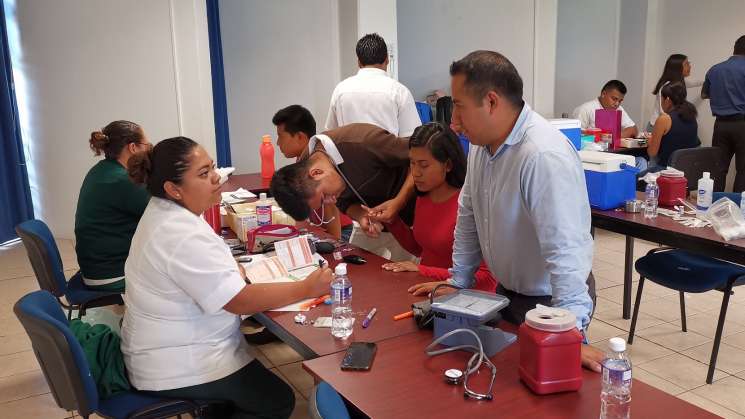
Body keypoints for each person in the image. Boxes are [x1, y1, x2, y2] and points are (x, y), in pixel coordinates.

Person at [408, 50, 602, 372]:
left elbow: (565, 249)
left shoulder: (541, 155)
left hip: (552, 305)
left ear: (491, 102)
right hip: (507, 294)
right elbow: (468, 215)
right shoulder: (483, 148)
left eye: (458, 107)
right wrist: (459, 282)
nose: (453, 123)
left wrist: (571, 331)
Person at [121, 137, 332, 418]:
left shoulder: (165, 213)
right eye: (204, 173)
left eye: (213, 167)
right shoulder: (179, 233)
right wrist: (306, 287)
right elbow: (239, 301)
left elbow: (201, 268)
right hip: (178, 365)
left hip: (162, 351)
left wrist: (231, 269)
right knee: (276, 400)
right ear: (173, 189)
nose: (217, 177)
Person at [380, 122, 496, 293]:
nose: (416, 172)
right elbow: (421, 248)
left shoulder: (469, 204)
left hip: (464, 299)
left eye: (424, 165)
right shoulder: (423, 197)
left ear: (448, 165)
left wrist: (422, 270)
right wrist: (392, 220)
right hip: (427, 291)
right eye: (412, 163)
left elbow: (486, 277)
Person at [270, 123, 415, 252]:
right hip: (381, 225)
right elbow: (343, 202)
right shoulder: (306, 165)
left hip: (415, 217)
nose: (329, 202)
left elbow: (423, 156)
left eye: (323, 197)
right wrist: (360, 214)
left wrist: (400, 200)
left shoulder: (364, 143)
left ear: (317, 173)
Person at [74, 120, 151, 291]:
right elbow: (163, 214)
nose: (148, 150)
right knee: (177, 275)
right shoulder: (121, 180)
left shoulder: (102, 170)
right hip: (111, 273)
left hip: (96, 268)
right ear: (133, 147)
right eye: (146, 145)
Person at [272, 105, 354, 241]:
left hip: (339, 230)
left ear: (300, 137)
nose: (278, 143)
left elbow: (331, 212)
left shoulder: (314, 166)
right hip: (319, 228)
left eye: (281, 136)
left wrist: (333, 246)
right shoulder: (302, 161)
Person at [325, 33, 421, 136]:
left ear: (359, 62)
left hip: (347, 152)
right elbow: (410, 136)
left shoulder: (340, 90)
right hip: (388, 152)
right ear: (387, 60)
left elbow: (330, 134)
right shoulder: (400, 92)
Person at [702, 35, 745, 192]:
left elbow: (704, 95)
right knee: (743, 171)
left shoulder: (715, 69)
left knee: (718, 170)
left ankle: (714, 207)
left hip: (721, 125)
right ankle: (739, 211)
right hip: (742, 125)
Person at [642, 82, 700, 172]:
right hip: (687, 171)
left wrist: (651, 141)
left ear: (667, 100)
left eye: (661, 98)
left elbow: (652, 152)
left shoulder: (664, 119)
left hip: (665, 171)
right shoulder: (692, 117)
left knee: (635, 178)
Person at [649, 54, 702, 129]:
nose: (690, 66)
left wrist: (707, 81)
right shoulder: (667, 86)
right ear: (677, 67)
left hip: (666, 126)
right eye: (686, 64)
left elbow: (694, 83)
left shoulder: (679, 83)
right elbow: (663, 111)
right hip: (657, 127)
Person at [573, 80, 639, 139]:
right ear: (603, 94)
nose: (617, 104)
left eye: (620, 101)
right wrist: (603, 137)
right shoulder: (585, 109)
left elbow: (634, 130)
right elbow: (576, 134)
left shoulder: (619, 109)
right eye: (614, 99)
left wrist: (612, 137)